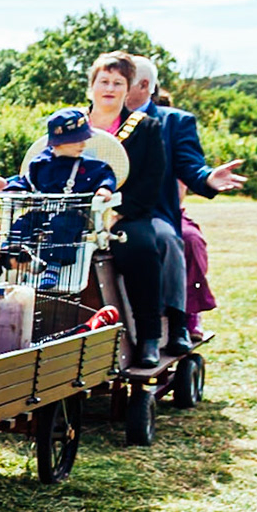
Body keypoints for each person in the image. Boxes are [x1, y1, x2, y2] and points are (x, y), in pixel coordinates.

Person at [127, 57, 244, 348]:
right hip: (100, 212)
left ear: (144, 85)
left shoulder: (174, 122)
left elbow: (191, 166)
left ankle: (178, 320)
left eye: (121, 82)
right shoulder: (95, 119)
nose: (111, 89)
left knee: (170, 239)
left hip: (151, 212)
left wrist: (207, 178)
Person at [86, 53, 174, 368]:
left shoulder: (146, 128)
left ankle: (149, 336)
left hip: (125, 215)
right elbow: (44, 165)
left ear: (128, 89)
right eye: (104, 81)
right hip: (74, 214)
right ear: (91, 87)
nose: (110, 88)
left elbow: (152, 180)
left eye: (118, 83)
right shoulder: (71, 123)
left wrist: (115, 214)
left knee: (140, 248)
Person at [0, 107, 113, 288]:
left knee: (61, 226)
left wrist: (104, 188)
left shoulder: (90, 167)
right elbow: (27, 181)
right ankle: (5, 261)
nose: (83, 144)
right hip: (41, 211)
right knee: (22, 224)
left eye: (84, 139)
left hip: (70, 214)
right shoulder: (41, 164)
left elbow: (105, 176)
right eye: (76, 140)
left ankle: (53, 266)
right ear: (58, 143)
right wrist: (10, 187)